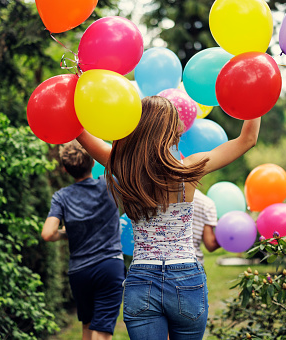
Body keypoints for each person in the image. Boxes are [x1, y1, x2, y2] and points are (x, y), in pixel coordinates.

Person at [76, 96, 261, 340]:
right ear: (172, 129)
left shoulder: (121, 165)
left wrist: (78, 90)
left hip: (141, 279)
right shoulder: (190, 168)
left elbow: (80, 131)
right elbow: (247, 139)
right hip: (186, 279)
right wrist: (256, 95)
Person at [41, 140, 125, 340]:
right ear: (93, 161)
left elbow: (47, 233)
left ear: (64, 169)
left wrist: (65, 233)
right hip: (109, 265)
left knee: (87, 326)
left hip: (80, 271)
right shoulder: (109, 184)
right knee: (102, 330)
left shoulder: (61, 197)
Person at [192, 189, 220, 266]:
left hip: (158, 262)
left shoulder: (158, 196)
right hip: (193, 262)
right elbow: (210, 244)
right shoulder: (206, 203)